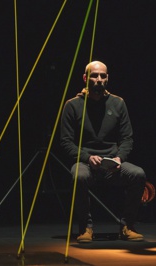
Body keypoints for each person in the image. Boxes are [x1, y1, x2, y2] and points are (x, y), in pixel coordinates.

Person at [60, 61, 146, 243]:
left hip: (112, 164)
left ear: (107, 79)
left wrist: (119, 158)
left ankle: (127, 226)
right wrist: (87, 157)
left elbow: (127, 138)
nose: (99, 79)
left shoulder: (118, 103)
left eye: (103, 76)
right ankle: (85, 228)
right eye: (94, 75)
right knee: (79, 175)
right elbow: (66, 142)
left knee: (138, 174)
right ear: (85, 78)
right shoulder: (73, 105)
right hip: (86, 162)